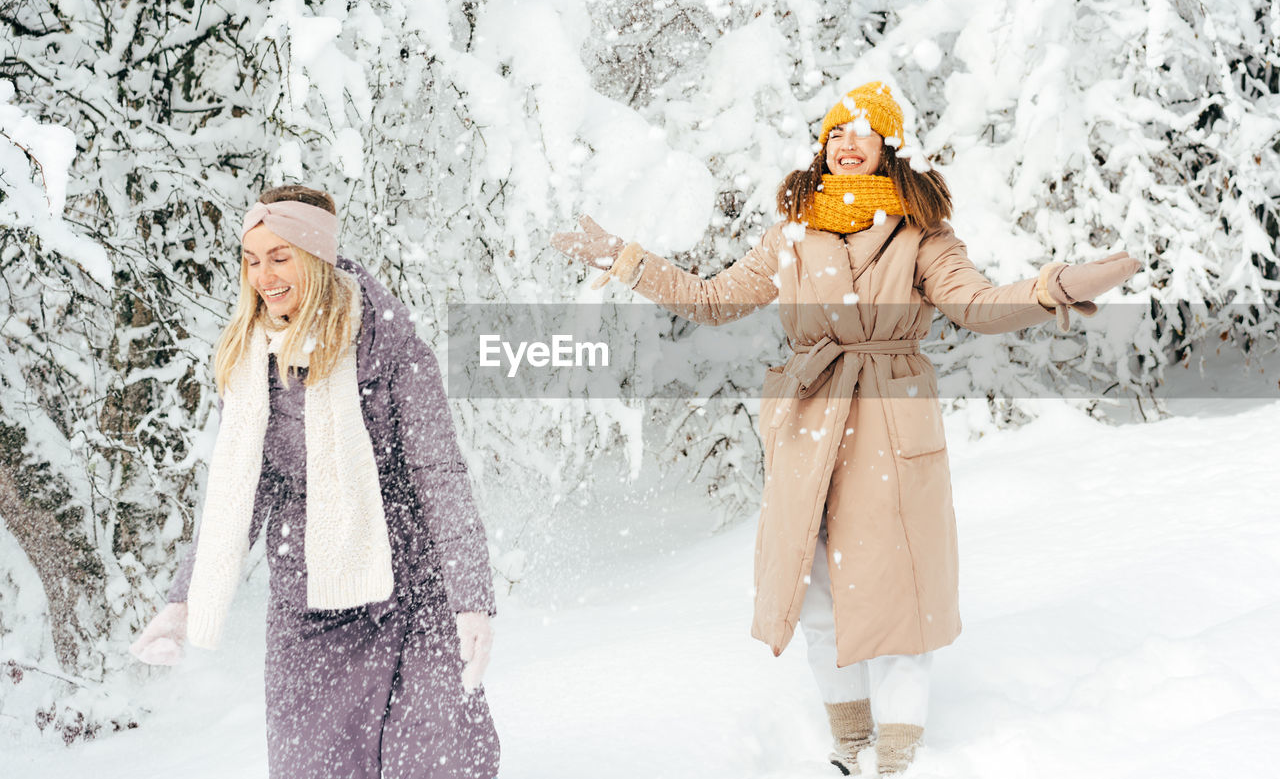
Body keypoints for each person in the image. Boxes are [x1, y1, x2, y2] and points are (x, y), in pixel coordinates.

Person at [552, 82, 1138, 775]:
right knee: (818, 592)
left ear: (889, 149)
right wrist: (628, 260)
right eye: (836, 133)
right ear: (822, 148)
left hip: (891, 418)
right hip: (810, 420)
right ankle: (848, 745)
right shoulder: (792, 233)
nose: (848, 142)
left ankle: (897, 756)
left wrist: (1051, 290)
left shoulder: (922, 237)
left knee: (899, 594)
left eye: (863, 132)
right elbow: (712, 300)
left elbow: (977, 305)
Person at [129, 185, 500, 779]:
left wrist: (471, 601)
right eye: (252, 260)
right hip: (310, 599)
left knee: (431, 760)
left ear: (317, 257)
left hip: (410, 591)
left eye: (281, 257)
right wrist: (184, 599)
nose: (264, 277)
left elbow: (441, 476)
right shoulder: (250, 362)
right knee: (315, 767)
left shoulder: (393, 350)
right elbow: (238, 495)